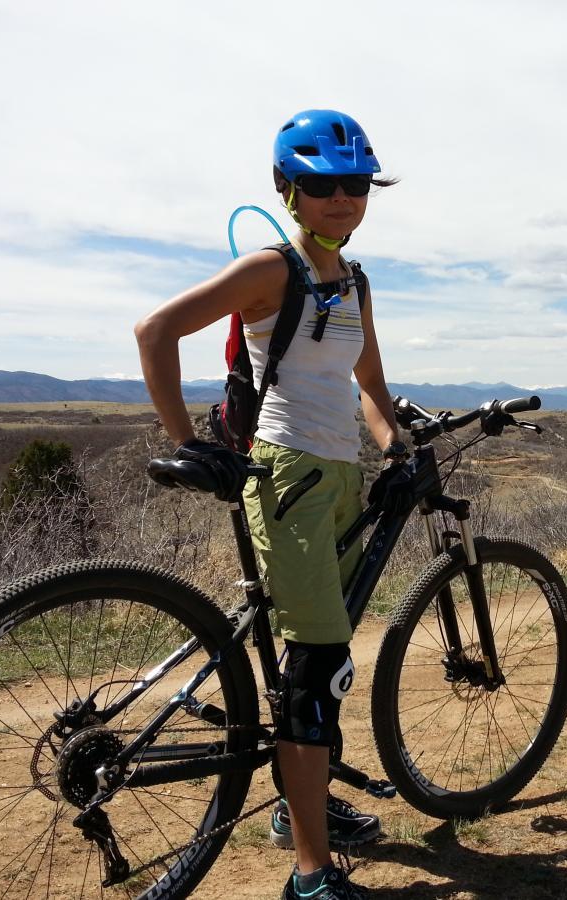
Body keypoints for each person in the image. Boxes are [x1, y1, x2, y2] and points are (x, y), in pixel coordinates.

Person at [135, 109, 404, 900]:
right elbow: (156, 331)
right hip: (285, 477)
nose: (342, 198)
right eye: (322, 184)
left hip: (338, 480)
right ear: (287, 190)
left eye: (356, 184)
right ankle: (311, 878)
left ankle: (299, 811)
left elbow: (370, 390)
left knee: (319, 656)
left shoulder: (355, 282)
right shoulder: (272, 269)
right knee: (316, 672)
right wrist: (194, 444)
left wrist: (397, 447)